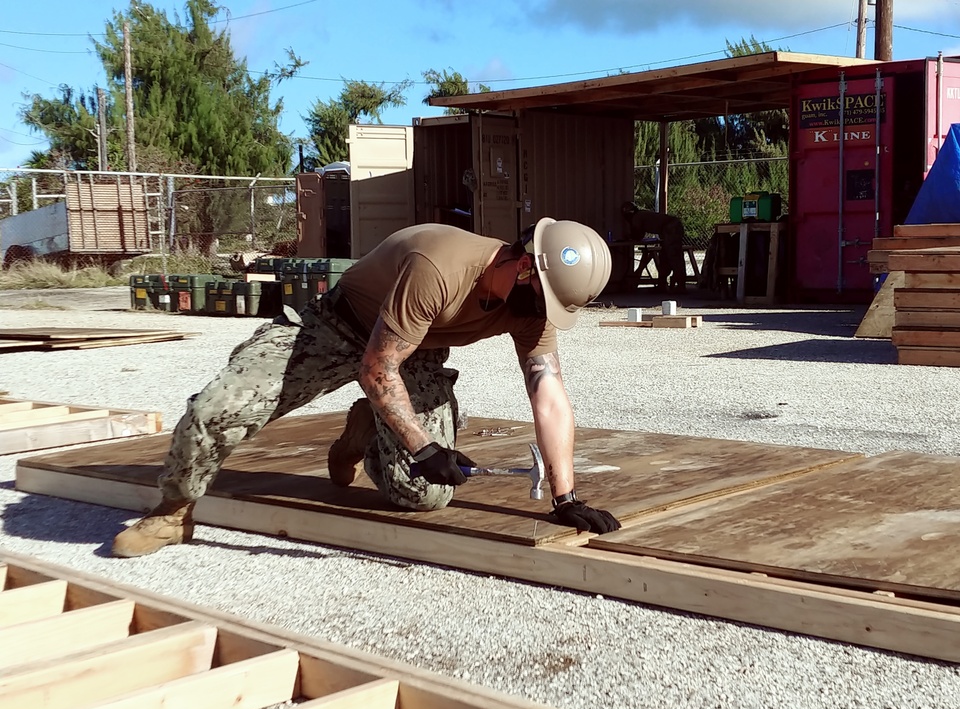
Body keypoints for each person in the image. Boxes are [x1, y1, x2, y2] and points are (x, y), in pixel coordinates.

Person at [111, 218, 622, 558]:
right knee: (217, 411)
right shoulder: (438, 269)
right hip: (337, 326)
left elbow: (548, 393)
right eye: (545, 300)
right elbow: (377, 369)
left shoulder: (530, 306)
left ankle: (364, 429)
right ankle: (172, 512)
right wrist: (422, 445)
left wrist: (565, 496)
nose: (542, 315)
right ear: (527, 266)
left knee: (424, 492)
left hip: (411, 348)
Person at [620, 201, 687, 292]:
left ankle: (680, 287)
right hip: (672, 227)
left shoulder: (636, 217)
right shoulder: (641, 215)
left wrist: (628, 236)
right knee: (666, 257)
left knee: (673, 257)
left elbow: (638, 235)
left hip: (671, 228)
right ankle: (664, 285)